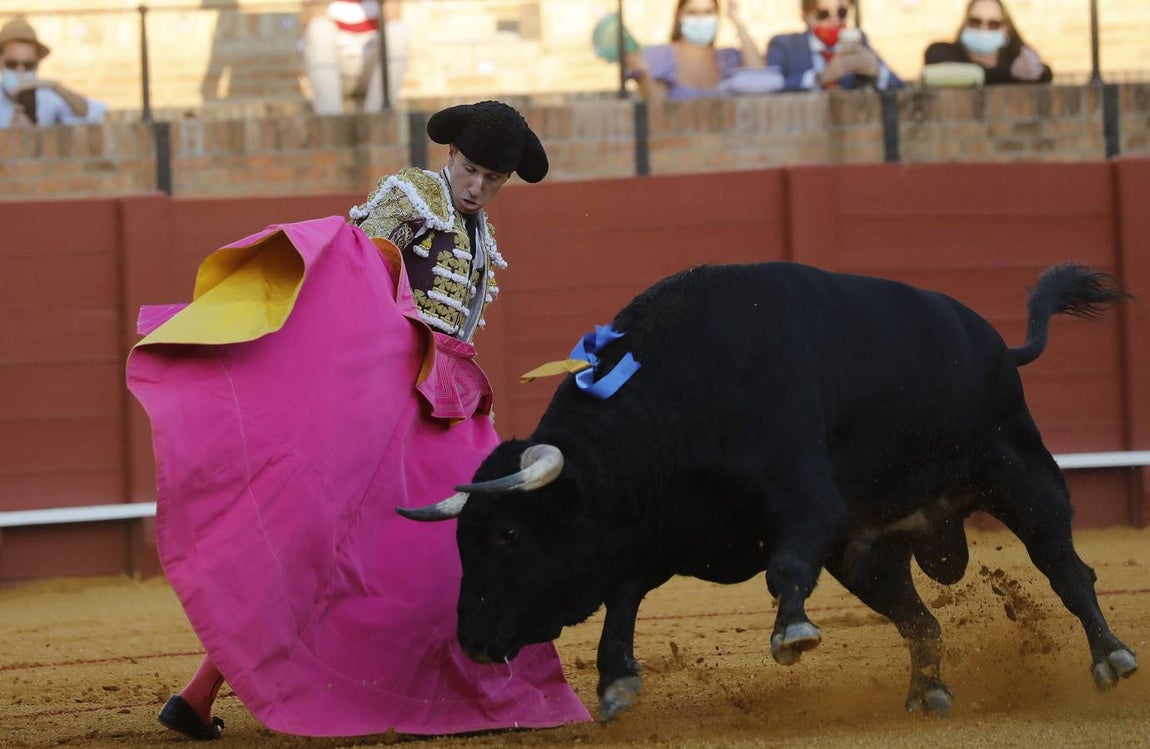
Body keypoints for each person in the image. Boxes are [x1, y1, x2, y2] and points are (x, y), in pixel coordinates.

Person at [128, 100, 591, 740]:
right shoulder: (412, 195)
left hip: (440, 401)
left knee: (422, 548)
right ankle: (204, 691)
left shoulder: (481, 232)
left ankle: (205, 693)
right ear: (450, 156)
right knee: (336, 550)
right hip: (388, 400)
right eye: (471, 169)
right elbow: (356, 280)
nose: (479, 187)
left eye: (494, 178)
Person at [625, 0, 782, 102]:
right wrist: (645, 73)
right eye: (693, 12)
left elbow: (760, 74)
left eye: (708, 12)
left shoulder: (727, 58)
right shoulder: (662, 57)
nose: (701, 19)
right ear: (680, 16)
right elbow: (656, 106)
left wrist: (736, 20)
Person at [765, 0, 902, 92]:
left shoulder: (858, 42)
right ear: (807, 17)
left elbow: (900, 88)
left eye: (842, 12)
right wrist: (821, 78)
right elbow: (769, 87)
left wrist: (878, 72)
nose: (835, 20)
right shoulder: (784, 45)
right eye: (823, 14)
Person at [301, 0, 409, 114]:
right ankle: (330, 120)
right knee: (319, 27)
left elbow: (393, 17)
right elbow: (310, 20)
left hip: (373, 71)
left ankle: (377, 118)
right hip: (335, 70)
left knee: (397, 29)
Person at [0, 17, 106, 128]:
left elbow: (97, 114)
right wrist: (9, 134)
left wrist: (56, 87)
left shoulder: (48, 98)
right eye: (12, 64)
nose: (20, 70)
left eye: (28, 65)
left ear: (37, 65)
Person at [923, 0, 1052, 85]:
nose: (983, 28)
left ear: (1005, 29)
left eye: (993, 24)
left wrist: (1034, 70)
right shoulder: (942, 51)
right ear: (965, 24)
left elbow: (1043, 72)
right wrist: (1008, 73)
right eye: (976, 21)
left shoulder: (1014, 57)